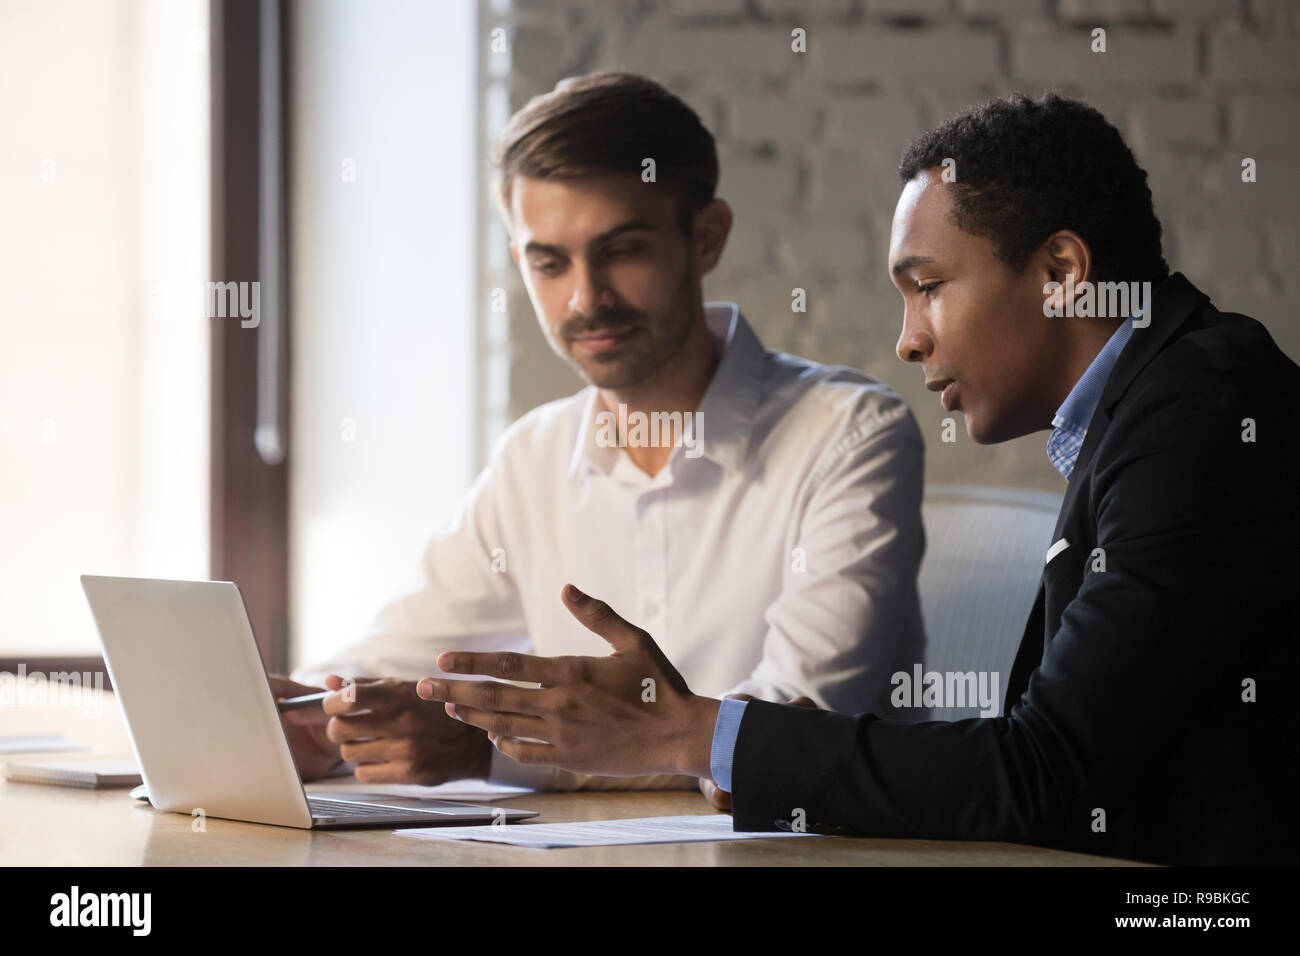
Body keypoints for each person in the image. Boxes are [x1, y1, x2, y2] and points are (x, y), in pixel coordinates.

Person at [419, 93, 1296, 865]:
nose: (908, 339)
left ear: (1061, 272)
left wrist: (690, 731)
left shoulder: (1201, 417)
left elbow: (1050, 773)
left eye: (928, 287)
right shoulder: (1150, 405)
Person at [275, 71, 925, 793]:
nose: (586, 299)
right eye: (548, 263)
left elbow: (788, 734)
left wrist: (486, 753)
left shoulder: (850, 435)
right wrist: (309, 716)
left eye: (622, 251)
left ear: (705, 239)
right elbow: (402, 650)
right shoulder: (534, 455)